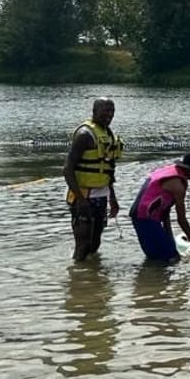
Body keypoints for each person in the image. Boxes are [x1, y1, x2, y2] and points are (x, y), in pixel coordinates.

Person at [63, 97, 123, 261]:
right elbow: (68, 169)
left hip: (101, 196)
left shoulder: (107, 134)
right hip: (82, 196)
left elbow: (107, 171)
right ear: (94, 111)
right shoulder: (84, 135)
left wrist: (113, 198)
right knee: (82, 245)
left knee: (95, 243)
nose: (109, 115)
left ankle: (92, 279)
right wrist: (80, 200)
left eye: (112, 111)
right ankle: (78, 279)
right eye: (105, 111)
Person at [129, 150, 190, 261]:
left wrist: (169, 237)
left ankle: (153, 276)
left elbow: (165, 210)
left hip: (144, 215)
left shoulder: (172, 171)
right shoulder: (178, 185)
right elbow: (181, 219)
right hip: (145, 218)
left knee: (166, 255)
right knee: (167, 258)